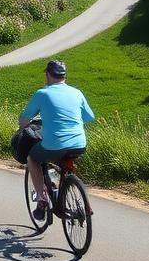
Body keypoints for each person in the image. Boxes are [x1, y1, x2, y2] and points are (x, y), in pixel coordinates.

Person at [18, 59, 95, 221]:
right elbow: (89, 117)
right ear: (64, 76)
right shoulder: (77, 93)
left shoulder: (43, 93)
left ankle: (41, 199)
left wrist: (27, 124)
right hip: (79, 144)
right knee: (62, 162)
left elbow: (24, 121)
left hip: (54, 145)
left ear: (47, 75)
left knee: (32, 158)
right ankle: (71, 192)